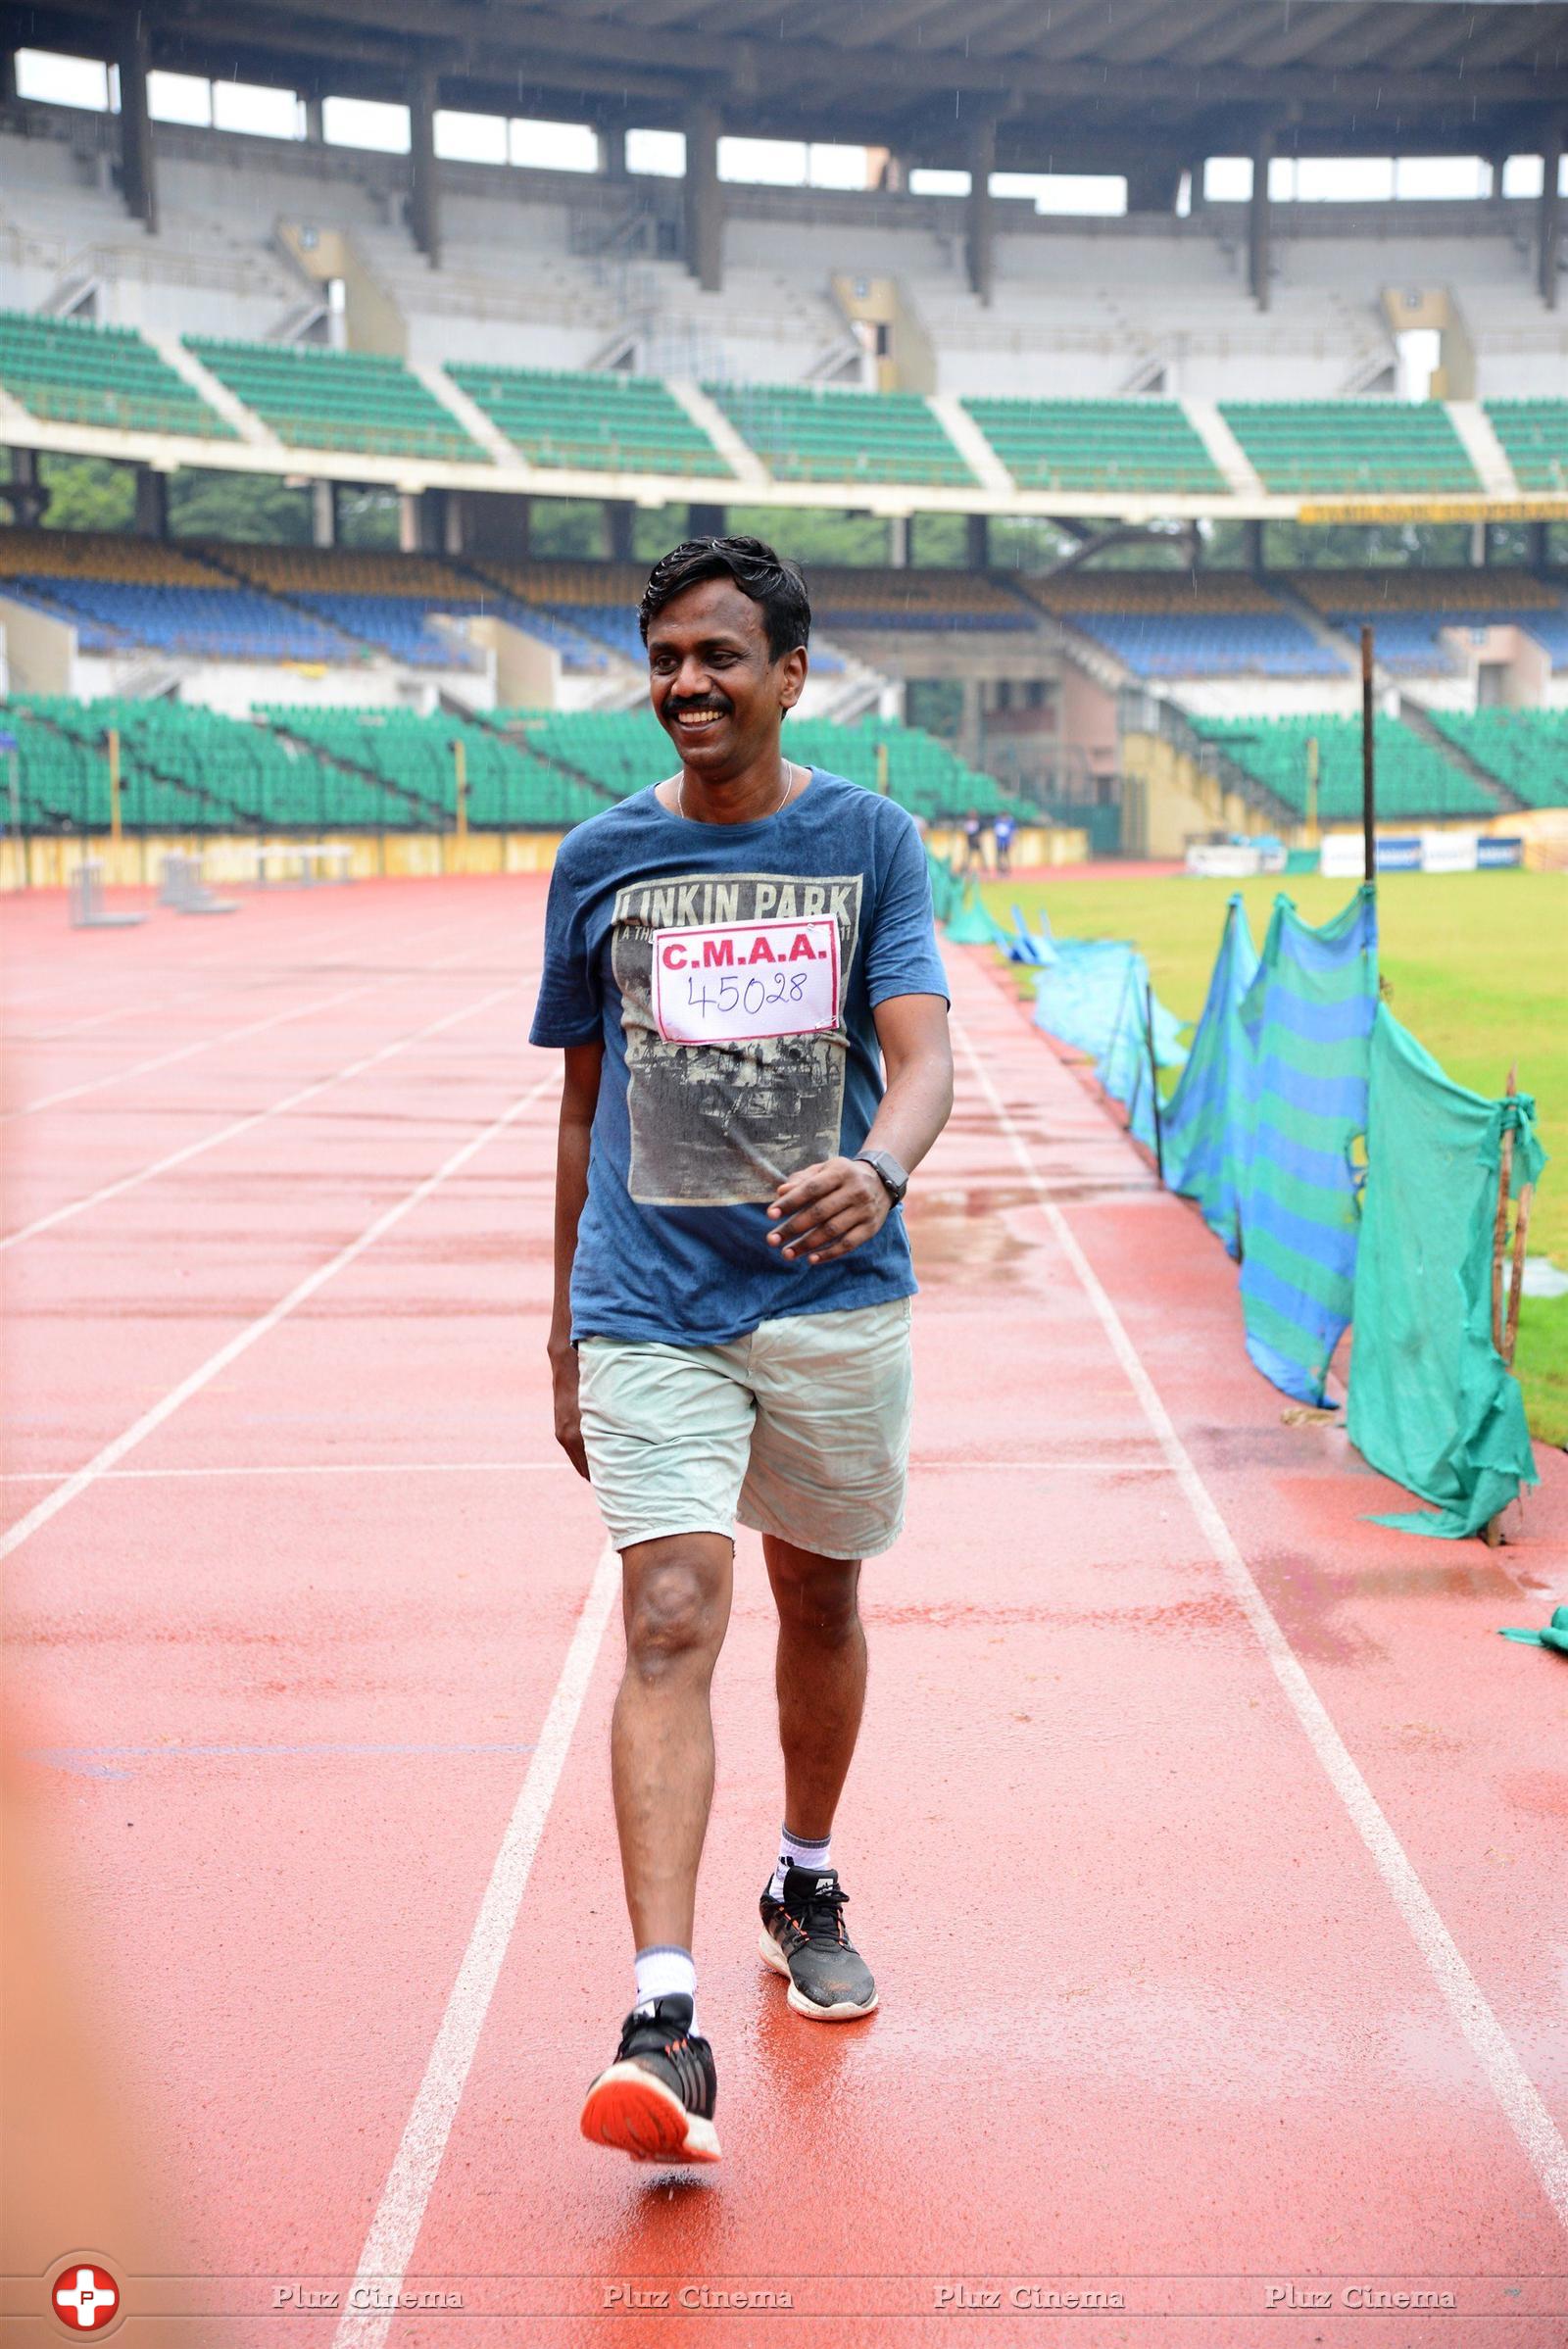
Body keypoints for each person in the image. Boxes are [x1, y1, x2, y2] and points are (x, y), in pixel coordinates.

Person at [530, 536, 953, 2165]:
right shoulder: (599, 860)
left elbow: (920, 1058)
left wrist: (883, 1163)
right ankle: (661, 2012)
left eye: (720, 655)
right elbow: (579, 1101)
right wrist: (561, 1319)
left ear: (791, 674)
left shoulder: (870, 844)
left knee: (821, 1592)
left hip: (833, 1297)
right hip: (647, 1297)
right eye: (665, 659)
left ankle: (803, 1870)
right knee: (668, 1607)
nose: (688, 684)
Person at [959, 807, 985, 873]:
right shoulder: (968, 821)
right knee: (968, 855)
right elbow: (967, 831)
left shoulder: (979, 821)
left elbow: (981, 831)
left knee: (980, 855)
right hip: (970, 841)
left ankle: (984, 868)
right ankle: (965, 867)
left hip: (977, 841)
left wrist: (978, 838)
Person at [994, 807, 1015, 875]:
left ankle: (1007, 869)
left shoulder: (1010, 822)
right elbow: (996, 832)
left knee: (1006, 856)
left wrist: (1011, 840)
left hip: (1006, 841)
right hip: (999, 841)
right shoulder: (997, 821)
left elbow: (1012, 832)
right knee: (999, 856)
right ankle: (1000, 869)